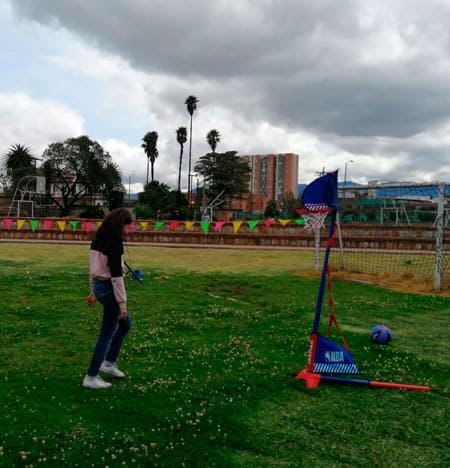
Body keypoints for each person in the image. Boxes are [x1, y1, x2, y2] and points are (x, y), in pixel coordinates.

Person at [83, 208, 133, 389]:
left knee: (125, 325)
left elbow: (93, 270)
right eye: (128, 226)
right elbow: (116, 278)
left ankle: (109, 363)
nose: (129, 230)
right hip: (109, 290)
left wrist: (93, 291)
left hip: (100, 287)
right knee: (106, 333)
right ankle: (91, 376)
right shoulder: (114, 245)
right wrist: (122, 304)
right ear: (120, 225)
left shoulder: (98, 239)